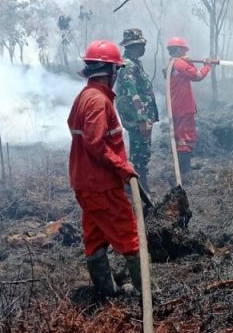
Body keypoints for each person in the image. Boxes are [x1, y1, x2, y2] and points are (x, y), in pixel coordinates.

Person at [67, 39, 141, 297]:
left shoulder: (84, 97)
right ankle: (148, 293)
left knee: (96, 235)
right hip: (101, 184)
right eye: (116, 71)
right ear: (110, 72)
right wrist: (122, 167)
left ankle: (106, 291)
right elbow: (96, 143)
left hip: (85, 183)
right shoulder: (99, 101)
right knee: (129, 233)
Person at [115, 28, 159, 195]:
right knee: (139, 151)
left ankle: (140, 186)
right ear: (132, 46)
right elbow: (133, 93)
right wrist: (141, 118)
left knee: (143, 150)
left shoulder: (134, 63)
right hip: (138, 117)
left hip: (142, 116)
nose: (143, 48)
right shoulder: (128, 66)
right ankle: (135, 188)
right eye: (140, 45)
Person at [165, 36, 215, 179]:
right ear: (179, 49)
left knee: (180, 137)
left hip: (175, 106)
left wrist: (190, 63)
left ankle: (182, 167)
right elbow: (197, 76)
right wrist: (207, 65)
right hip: (183, 107)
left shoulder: (171, 63)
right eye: (184, 50)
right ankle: (184, 170)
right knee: (186, 137)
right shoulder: (179, 63)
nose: (185, 52)